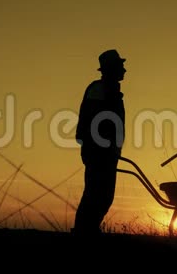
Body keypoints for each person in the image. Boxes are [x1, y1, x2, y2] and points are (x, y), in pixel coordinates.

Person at [73, 49, 127, 235]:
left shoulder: (110, 90)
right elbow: (95, 120)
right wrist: (104, 146)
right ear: (111, 68)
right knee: (96, 193)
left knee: (103, 195)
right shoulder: (99, 89)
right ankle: (83, 232)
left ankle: (88, 230)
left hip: (107, 151)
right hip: (98, 151)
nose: (124, 70)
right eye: (121, 66)